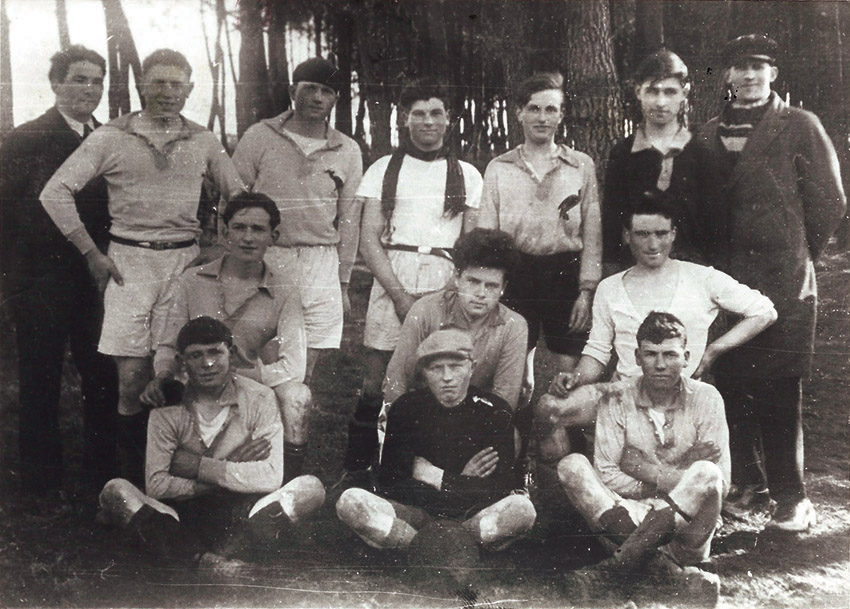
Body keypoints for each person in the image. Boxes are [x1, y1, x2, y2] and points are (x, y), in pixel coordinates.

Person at [40, 49, 245, 486]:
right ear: (141, 86)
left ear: (189, 89)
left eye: (177, 84)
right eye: (158, 83)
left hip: (185, 263)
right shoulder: (112, 136)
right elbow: (55, 192)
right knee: (132, 378)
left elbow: (240, 197)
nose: (167, 93)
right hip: (128, 263)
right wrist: (91, 252)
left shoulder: (204, 140)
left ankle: (180, 473)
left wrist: (223, 249)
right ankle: (132, 479)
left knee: (181, 369)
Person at [698, 34, 846, 530]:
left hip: (784, 282)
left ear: (774, 73)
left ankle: (791, 496)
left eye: (758, 66)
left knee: (781, 389)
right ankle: (748, 485)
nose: (748, 76)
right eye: (739, 67)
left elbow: (829, 201)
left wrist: (796, 253)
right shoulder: (707, 134)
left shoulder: (800, 125)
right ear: (727, 77)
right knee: (733, 382)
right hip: (727, 282)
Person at [537, 197, 776, 464]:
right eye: (642, 234)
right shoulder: (610, 287)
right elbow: (598, 350)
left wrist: (712, 352)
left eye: (661, 234)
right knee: (550, 408)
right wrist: (576, 377)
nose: (652, 245)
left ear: (673, 235)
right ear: (627, 236)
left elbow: (764, 311)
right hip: (624, 395)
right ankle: (566, 489)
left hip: (680, 399)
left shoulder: (702, 278)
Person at [97, 317, 325, 570]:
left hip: (242, 510)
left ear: (233, 357)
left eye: (215, 352)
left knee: (311, 488)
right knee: (115, 490)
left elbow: (271, 477)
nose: (207, 364)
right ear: (182, 365)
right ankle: (213, 562)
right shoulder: (167, 407)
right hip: (182, 513)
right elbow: (157, 486)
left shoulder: (260, 397)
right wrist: (232, 465)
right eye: (195, 356)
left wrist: (197, 467)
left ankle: (210, 555)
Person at [341, 78, 483, 478]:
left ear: (449, 119)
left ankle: (428, 469)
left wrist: (445, 294)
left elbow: (470, 246)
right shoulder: (383, 169)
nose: (427, 122)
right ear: (404, 120)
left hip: (446, 280)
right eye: (418, 114)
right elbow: (369, 241)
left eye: (436, 113)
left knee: (441, 372)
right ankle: (359, 469)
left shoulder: (468, 174)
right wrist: (400, 295)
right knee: (378, 379)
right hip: (393, 277)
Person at [0, 45, 118, 497]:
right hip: (40, 283)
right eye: (79, 79)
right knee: (40, 380)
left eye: (96, 81)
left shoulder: (107, 138)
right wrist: (12, 288)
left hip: (97, 281)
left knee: (102, 376)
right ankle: (40, 485)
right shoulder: (26, 139)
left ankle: (103, 479)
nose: (89, 89)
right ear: (55, 85)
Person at [554, 312, 726, 602]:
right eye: (651, 354)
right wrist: (679, 477)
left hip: (686, 532)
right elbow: (608, 475)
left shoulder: (707, 397)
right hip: (626, 516)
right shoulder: (617, 397)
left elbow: (720, 482)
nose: (660, 364)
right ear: (637, 356)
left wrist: (641, 468)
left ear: (686, 357)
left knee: (707, 472)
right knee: (571, 466)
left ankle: (610, 573)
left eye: (670, 355)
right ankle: (666, 573)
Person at [141, 193, 311, 482]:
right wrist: (162, 374)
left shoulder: (285, 290)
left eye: (258, 229)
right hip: (193, 380)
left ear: (274, 236)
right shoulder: (191, 281)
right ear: (225, 231)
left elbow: (294, 366)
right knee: (159, 395)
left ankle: (287, 483)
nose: (247, 238)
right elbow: (168, 344)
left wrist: (243, 375)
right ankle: (158, 476)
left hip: (247, 385)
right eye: (239, 227)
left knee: (298, 395)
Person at [336, 329, 536, 566]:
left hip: (471, 516)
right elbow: (391, 482)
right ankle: (435, 549)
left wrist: (437, 477)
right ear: (424, 373)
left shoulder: (494, 410)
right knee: (350, 501)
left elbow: (499, 488)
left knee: (522, 510)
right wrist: (462, 482)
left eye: (455, 366)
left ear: (471, 367)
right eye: (436, 369)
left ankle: (430, 549)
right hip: (415, 517)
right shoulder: (406, 409)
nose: (447, 377)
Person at [232, 57, 363, 384]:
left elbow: (349, 219)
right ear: (293, 90)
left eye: (327, 91)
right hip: (270, 256)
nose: (318, 98)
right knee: (264, 363)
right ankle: (260, 430)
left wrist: (344, 282)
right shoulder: (259, 136)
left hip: (321, 262)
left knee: (304, 369)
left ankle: (293, 434)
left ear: (335, 99)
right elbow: (233, 203)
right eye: (310, 89)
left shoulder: (347, 149)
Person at [474, 71, 602, 405]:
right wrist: (492, 287)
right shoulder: (499, 167)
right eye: (534, 109)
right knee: (512, 373)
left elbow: (592, 231)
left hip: (565, 274)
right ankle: (513, 448)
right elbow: (487, 237)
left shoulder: (580, 166)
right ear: (519, 112)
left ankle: (570, 452)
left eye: (550, 109)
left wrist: (586, 291)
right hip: (516, 274)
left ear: (561, 114)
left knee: (569, 374)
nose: (542, 118)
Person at [382, 228, 527, 410]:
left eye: (491, 286)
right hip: (423, 413)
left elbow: (505, 397)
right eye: (473, 282)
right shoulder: (425, 310)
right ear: (457, 278)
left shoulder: (514, 326)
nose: (481, 293)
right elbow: (397, 379)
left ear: (503, 287)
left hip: (479, 417)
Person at [602, 49, 717, 273]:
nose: (661, 102)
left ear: (685, 93)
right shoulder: (623, 153)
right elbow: (612, 220)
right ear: (638, 91)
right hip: (636, 269)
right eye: (653, 91)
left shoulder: (701, 150)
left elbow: (715, 225)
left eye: (670, 92)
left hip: (692, 271)